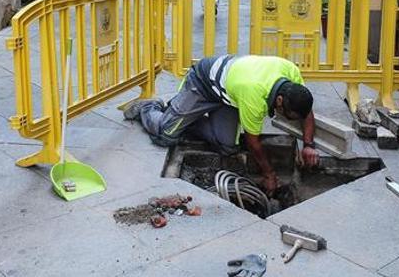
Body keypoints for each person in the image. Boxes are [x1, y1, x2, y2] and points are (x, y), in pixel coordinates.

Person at [124, 54, 320, 194]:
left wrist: (309, 145)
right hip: (203, 83)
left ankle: (183, 117)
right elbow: (254, 143)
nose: (289, 119)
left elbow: (306, 112)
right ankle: (149, 107)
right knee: (166, 134)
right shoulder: (254, 95)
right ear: (279, 100)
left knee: (227, 146)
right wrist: (269, 174)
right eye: (288, 115)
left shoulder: (292, 76)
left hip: (228, 96)